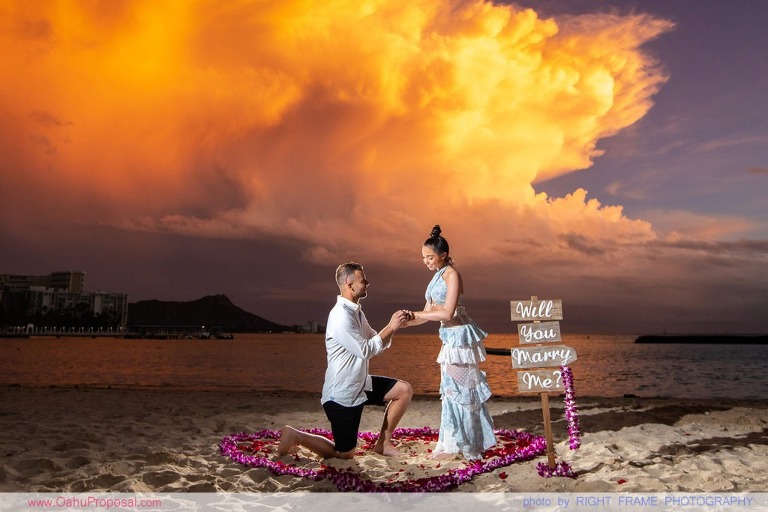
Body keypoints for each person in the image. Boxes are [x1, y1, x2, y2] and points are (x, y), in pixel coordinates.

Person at [278, 262, 413, 459]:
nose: (367, 283)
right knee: (344, 454)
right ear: (350, 283)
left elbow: (377, 340)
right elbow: (366, 350)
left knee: (404, 390)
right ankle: (296, 435)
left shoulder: (356, 312)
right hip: (342, 394)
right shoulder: (341, 315)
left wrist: (396, 326)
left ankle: (383, 444)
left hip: (360, 384)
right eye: (363, 280)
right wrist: (391, 327)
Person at [404, 225, 496, 460]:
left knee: (462, 391)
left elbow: (447, 313)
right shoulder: (435, 278)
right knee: (449, 390)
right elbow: (426, 313)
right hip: (449, 340)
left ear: (442, 255)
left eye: (430, 257)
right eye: (423, 258)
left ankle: (468, 444)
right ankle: (452, 442)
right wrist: (405, 321)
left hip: (461, 341)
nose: (426, 262)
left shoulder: (452, 275)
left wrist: (421, 313)